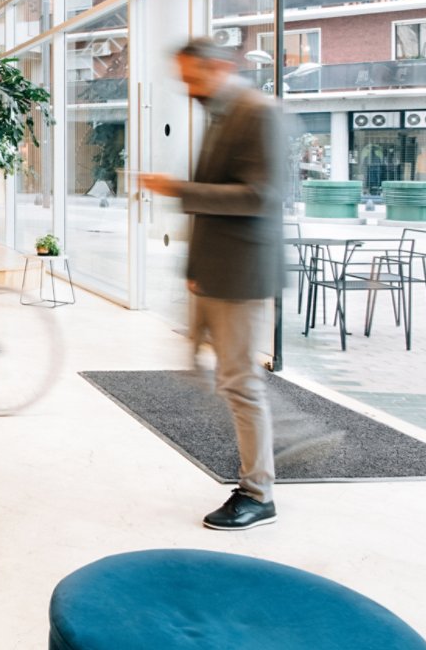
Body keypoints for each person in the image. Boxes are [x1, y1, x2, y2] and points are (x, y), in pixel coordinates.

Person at [141, 40, 287, 531]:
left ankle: (258, 492)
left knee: (241, 383)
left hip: (243, 275)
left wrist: (177, 189)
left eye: (194, 79)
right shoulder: (222, 113)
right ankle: (263, 465)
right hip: (217, 272)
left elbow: (259, 196)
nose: (189, 89)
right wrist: (195, 268)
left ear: (221, 67)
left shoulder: (257, 113)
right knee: (226, 378)